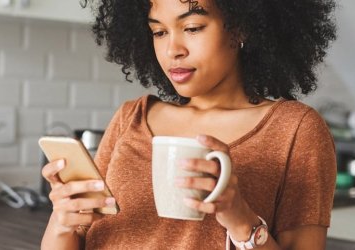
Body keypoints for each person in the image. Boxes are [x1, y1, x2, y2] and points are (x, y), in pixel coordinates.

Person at [41, 0, 337, 249]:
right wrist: (63, 220)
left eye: (192, 28)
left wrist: (241, 219)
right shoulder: (130, 117)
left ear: (241, 25)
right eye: (158, 32)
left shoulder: (296, 130)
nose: (172, 50)